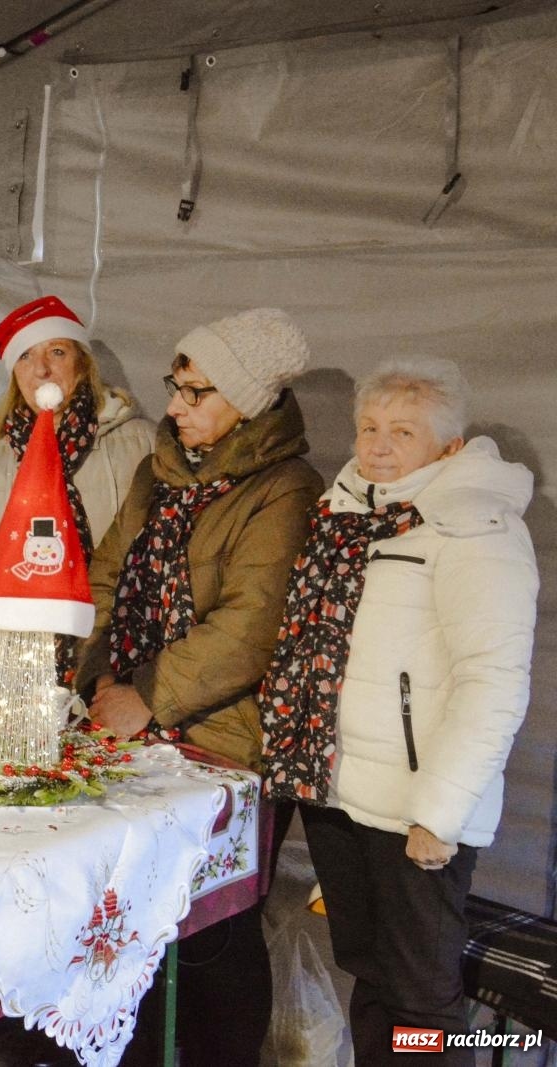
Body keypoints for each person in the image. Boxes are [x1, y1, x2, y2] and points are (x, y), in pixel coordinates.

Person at [260, 358, 536, 1065]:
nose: (378, 445)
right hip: (340, 790)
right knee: (370, 971)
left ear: (447, 446)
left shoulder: (476, 526)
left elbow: (493, 683)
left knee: (423, 1003)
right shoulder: (345, 509)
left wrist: (437, 813)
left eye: (402, 431)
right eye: (369, 427)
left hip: (416, 810)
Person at [75, 306, 324, 1066]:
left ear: (247, 401)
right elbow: (109, 574)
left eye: (197, 392)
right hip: (134, 718)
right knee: (132, 910)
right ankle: (141, 1046)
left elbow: (252, 625)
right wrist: (98, 672)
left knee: (216, 924)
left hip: (226, 736)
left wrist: (146, 694)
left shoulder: (285, 488)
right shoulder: (160, 472)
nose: (176, 405)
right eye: (176, 387)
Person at [0, 295, 154, 672]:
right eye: (25, 356)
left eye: (56, 352)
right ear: (13, 374)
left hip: (111, 656)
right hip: (5, 663)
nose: (41, 369)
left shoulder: (140, 443)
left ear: (82, 362)